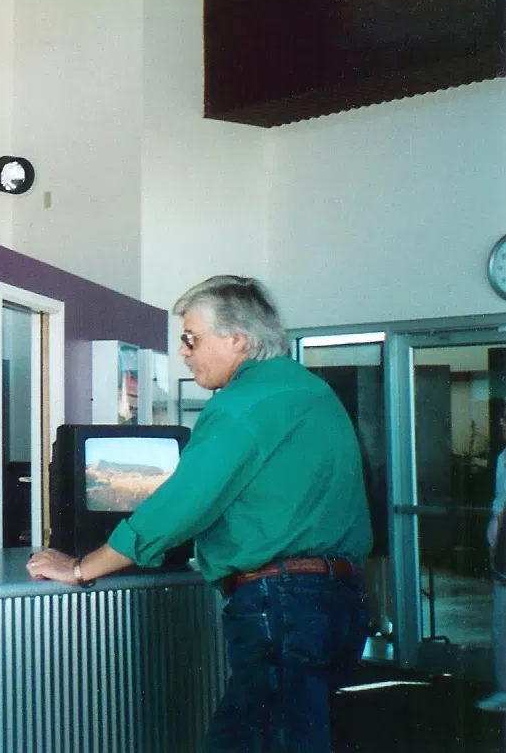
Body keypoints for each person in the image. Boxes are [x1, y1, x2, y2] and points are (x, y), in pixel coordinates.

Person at [27, 275, 373, 753]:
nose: (185, 352)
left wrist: (84, 567)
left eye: (192, 338)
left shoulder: (241, 405)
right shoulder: (310, 391)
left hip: (282, 602)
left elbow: (180, 505)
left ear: (238, 339)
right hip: (339, 599)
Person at [478, 399, 506, 711]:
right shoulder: (502, 458)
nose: (500, 423)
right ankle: (503, 687)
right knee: (501, 622)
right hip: (500, 552)